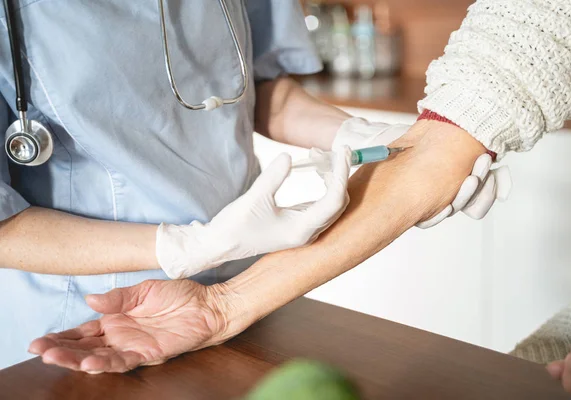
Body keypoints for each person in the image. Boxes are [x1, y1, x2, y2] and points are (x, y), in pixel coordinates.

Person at [0, 1, 502, 369]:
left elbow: (255, 85)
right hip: (97, 315)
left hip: (240, 291)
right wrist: (189, 246)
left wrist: (354, 133)